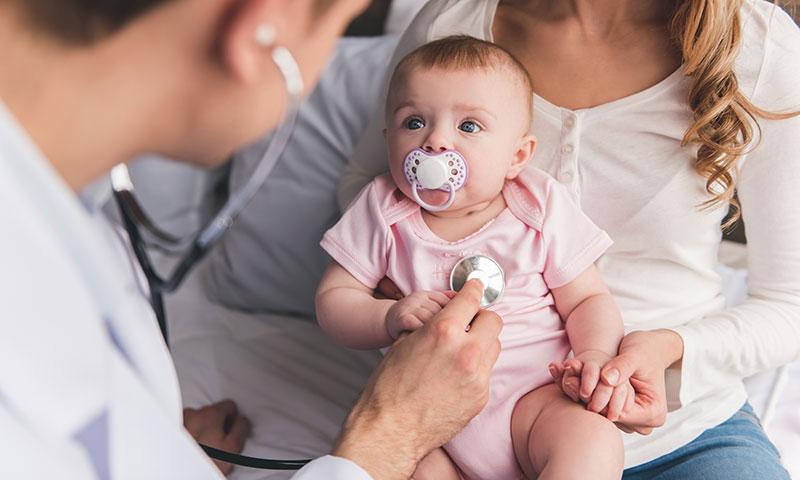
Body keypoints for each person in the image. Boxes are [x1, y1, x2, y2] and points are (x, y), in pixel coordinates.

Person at [0, 0, 503, 479]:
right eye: (333, 31)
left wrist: (152, 449)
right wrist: (389, 436)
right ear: (260, 30)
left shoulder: (71, 212)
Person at [338, 0, 800, 478]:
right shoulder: (452, 22)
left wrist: (670, 349)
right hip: (445, 424)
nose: (435, 143)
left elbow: (791, 303)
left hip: (682, 435)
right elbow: (366, 189)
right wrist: (397, 297)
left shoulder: (758, 48)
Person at [316, 36, 629, 480]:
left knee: (592, 440)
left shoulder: (537, 206)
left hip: (536, 400)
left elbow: (586, 300)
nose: (436, 142)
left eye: (468, 127)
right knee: (409, 469)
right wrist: (386, 316)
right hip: (425, 418)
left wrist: (595, 355)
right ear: (389, 141)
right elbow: (335, 299)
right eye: (414, 122)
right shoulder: (383, 209)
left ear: (517, 156)